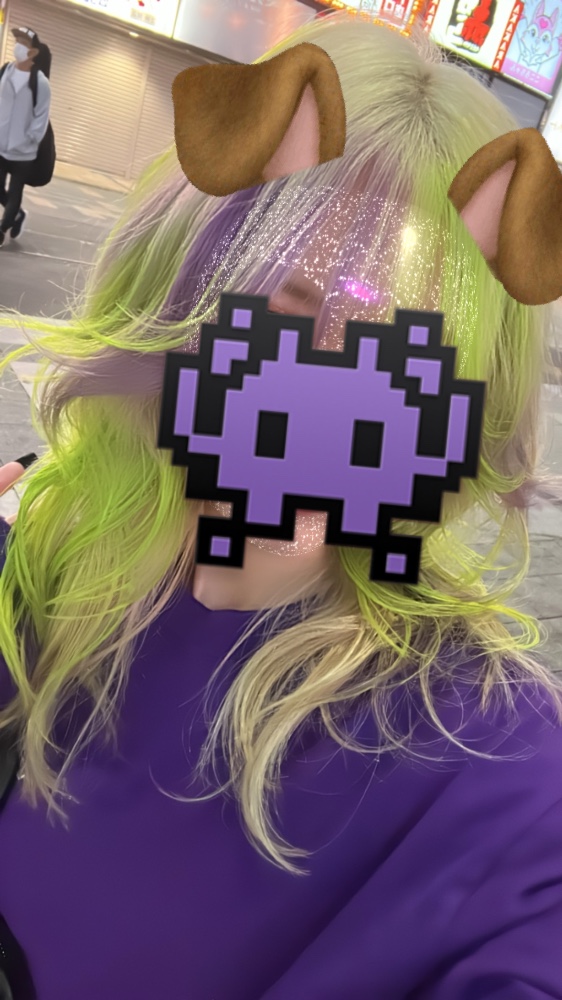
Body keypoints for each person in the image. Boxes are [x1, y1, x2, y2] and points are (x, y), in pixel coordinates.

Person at [0, 13, 562, 1000]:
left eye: (397, 359)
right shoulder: (51, 569)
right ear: (177, 300)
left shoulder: (488, 756)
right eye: (286, 317)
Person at [0, 26, 51, 248]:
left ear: (33, 52)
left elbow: (42, 114)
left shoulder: (40, 82)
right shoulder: (5, 71)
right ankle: (18, 215)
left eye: (23, 43)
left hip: (23, 150)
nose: (17, 46)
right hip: (1, 143)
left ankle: (3, 228)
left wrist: (30, 139)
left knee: (15, 191)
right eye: (17, 41)